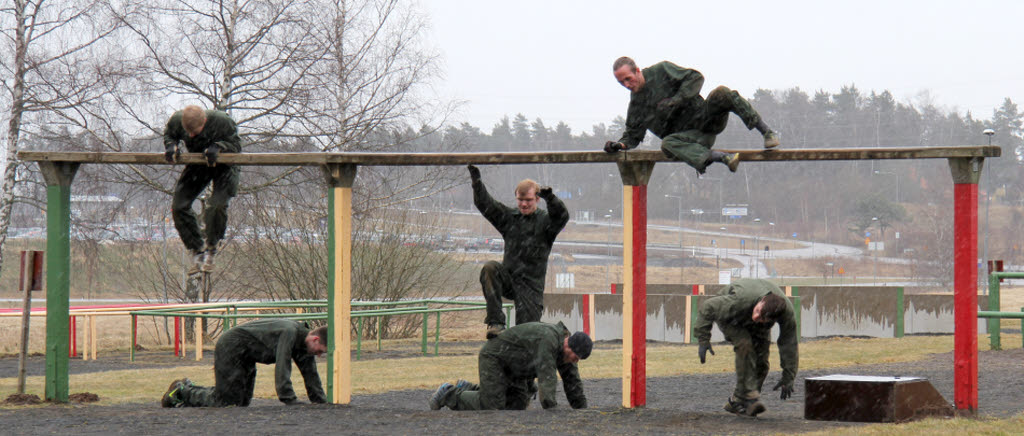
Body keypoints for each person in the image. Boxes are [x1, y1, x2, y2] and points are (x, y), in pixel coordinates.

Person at [603, 56, 780, 174]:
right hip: (693, 140)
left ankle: (767, 132)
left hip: (706, 118)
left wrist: (676, 100)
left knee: (722, 93)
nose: (626, 84)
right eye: (621, 82)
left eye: (628, 78)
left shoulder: (661, 71)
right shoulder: (636, 106)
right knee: (667, 144)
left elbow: (696, 78)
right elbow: (632, 136)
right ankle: (721, 158)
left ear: (637, 71)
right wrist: (618, 145)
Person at [468, 165, 569, 339]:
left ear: (537, 199)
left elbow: (562, 216)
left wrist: (551, 199)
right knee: (490, 268)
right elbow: (486, 205)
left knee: (526, 336)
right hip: (510, 279)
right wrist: (477, 183)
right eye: (520, 200)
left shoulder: (546, 223)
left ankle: (551, 340)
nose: (523, 204)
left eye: (528, 200)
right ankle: (496, 323)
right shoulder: (509, 219)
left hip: (531, 288)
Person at [162, 319, 328, 407]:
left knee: (242, 401)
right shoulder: (290, 332)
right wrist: (290, 399)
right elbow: (283, 367)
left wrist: (320, 402)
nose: (319, 355)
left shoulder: (304, 345)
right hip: (232, 346)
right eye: (320, 350)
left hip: (247, 355)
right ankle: (181, 391)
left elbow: (310, 373)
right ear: (315, 339)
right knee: (226, 403)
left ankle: (188, 388)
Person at [428, 321, 591, 411]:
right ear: (568, 344)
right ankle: (449, 394)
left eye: (577, 360)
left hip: (515, 371)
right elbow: (546, 376)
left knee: (517, 405)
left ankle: (469, 388)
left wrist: (582, 409)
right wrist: (552, 409)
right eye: (575, 357)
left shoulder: (566, 352)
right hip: (495, 359)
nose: (574, 361)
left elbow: (572, 381)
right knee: (491, 406)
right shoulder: (549, 339)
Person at [694, 278, 798, 417]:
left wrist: (788, 377)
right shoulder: (740, 299)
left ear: (772, 320)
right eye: (757, 311)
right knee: (745, 346)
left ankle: (738, 402)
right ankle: (750, 398)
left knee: (761, 364)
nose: (755, 317)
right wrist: (703, 339)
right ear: (761, 302)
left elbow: (789, 343)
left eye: (761, 318)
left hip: (756, 323)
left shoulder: (786, 314)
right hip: (731, 316)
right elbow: (708, 307)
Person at [163, 104, 242, 275]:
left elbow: (236, 146)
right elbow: (170, 134)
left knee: (216, 205)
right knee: (179, 206)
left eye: (195, 132)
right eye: (188, 132)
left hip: (225, 166)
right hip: (200, 164)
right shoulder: (178, 120)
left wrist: (219, 146)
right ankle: (197, 248)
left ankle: (212, 246)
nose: (191, 136)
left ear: (204, 121)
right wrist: (171, 146)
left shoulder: (223, 121)